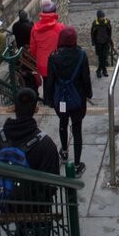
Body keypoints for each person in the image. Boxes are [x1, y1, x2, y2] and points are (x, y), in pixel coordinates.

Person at [0, 87, 60, 236]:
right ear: (36, 109)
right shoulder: (46, 145)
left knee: (20, 232)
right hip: (36, 208)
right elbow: (51, 186)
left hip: (6, 204)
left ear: (13, 108)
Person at [46, 27, 92, 177]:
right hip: (77, 99)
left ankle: (64, 151)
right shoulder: (81, 55)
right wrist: (88, 93)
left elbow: (50, 81)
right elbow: (86, 78)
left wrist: (49, 99)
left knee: (62, 123)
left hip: (61, 99)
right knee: (77, 129)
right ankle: (78, 164)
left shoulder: (53, 57)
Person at [29, 0, 65, 104]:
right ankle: (55, 100)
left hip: (42, 62)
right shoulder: (60, 27)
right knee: (56, 81)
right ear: (54, 12)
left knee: (46, 80)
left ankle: (47, 100)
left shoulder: (35, 28)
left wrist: (39, 57)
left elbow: (33, 48)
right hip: (56, 61)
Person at [90, 10, 112, 78]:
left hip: (105, 41)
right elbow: (92, 33)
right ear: (98, 17)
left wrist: (109, 39)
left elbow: (109, 31)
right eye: (101, 17)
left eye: (103, 17)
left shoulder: (107, 22)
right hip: (98, 42)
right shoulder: (95, 23)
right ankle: (103, 70)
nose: (102, 18)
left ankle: (100, 70)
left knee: (104, 56)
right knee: (100, 56)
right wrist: (93, 41)